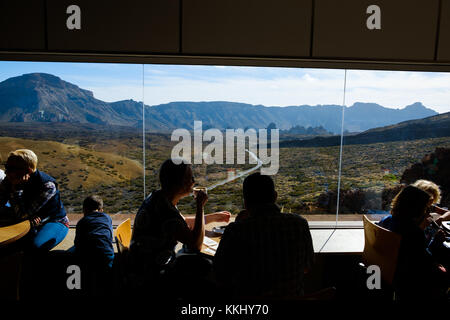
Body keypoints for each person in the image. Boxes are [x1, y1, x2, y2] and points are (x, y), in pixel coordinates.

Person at [128, 158, 230, 297]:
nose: (193, 181)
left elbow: (180, 224)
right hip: (153, 275)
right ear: (178, 183)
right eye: (190, 177)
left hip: (143, 265)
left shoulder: (159, 199)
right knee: (207, 267)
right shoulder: (165, 210)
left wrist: (213, 217)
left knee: (198, 260)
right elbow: (196, 244)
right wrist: (200, 207)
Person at [213, 172, 314, 299]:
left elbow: (220, 275)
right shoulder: (300, 224)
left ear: (246, 202)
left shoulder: (236, 230)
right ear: (275, 196)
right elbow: (306, 267)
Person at [378, 185, 449, 300]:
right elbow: (426, 261)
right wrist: (436, 242)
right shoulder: (414, 233)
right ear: (416, 210)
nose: (428, 214)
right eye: (426, 209)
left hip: (391, 272)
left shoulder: (386, 220)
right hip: (410, 281)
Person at [0, 149, 69, 251]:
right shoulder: (10, 178)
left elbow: (22, 214)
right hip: (29, 219)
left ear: (27, 171)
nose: (6, 171)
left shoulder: (47, 185)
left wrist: (16, 189)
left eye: (11, 168)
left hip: (54, 221)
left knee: (35, 247)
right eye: (6, 167)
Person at [71, 195, 114, 296]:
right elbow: (109, 237)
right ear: (101, 210)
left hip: (87, 257)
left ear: (84, 210)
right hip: (106, 255)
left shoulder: (82, 222)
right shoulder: (107, 218)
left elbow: (77, 242)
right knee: (106, 279)